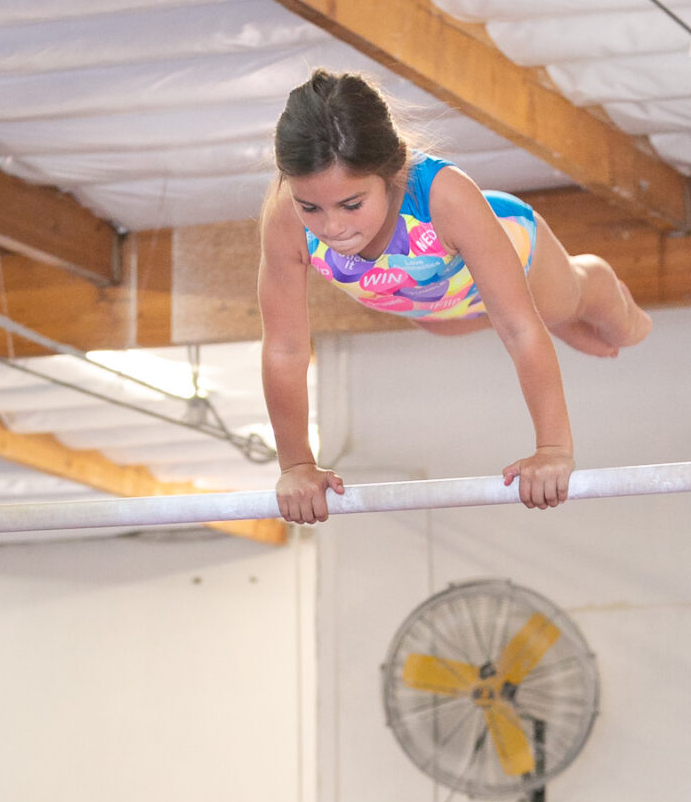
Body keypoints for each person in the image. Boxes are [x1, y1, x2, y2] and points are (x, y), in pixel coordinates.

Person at [259, 69, 652, 525]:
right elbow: (285, 349)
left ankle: (596, 284)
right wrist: (296, 465)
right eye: (311, 207)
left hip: (518, 258)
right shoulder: (285, 216)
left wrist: (553, 449)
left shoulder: (445, 196)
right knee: (447, 326)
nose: (331, 227)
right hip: (434, 304)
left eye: (351, 205)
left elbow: (518, 328)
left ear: (392, 172)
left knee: (579, 314)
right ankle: (556, 321)